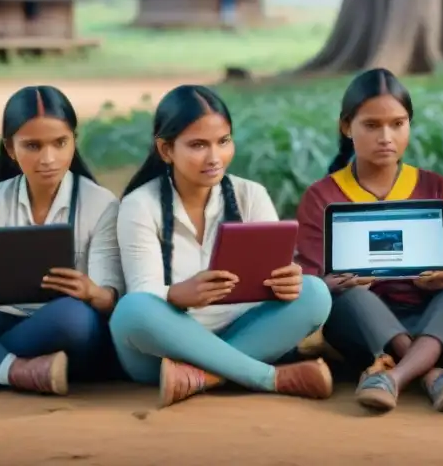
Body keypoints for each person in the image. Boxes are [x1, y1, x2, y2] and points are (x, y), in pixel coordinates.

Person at [109, 84, 334, 408]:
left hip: (245, 335)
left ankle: (202, 377)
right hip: (162, 354)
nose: (215, 157)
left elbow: (276, 272)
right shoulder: (139, 205)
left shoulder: (250, 195)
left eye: (223, 141)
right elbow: (143, 290)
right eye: (198, 145)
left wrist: (290, 281)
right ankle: (267, 378)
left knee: (315, 293)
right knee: (132, 310)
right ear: (166, 149)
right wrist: (177, 294)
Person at [296, 68, 443, 414]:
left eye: (397, 124)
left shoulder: (434, 186)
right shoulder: (322, 196)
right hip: (364, 324)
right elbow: (309, 283)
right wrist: (333, 283)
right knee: (347, 296)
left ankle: (393, 378)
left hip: (432, 318)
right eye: (371, 125)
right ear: (346, 126)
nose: (386, 137)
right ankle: (430, 372)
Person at [0, 85, 122, 397]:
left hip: (64, 327)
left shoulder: (101, 204)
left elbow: (111, 299)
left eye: (60, 143)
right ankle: (13, 371)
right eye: (32, 146)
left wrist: (92, 291)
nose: (48, 158)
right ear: (10, 148)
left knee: (73, 317)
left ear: (74, 140)